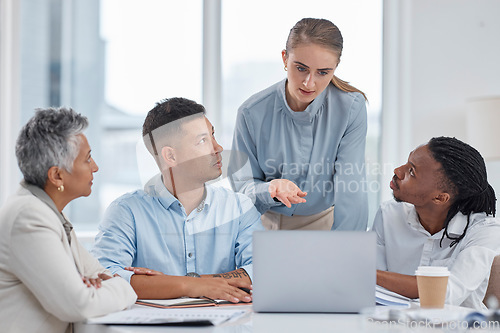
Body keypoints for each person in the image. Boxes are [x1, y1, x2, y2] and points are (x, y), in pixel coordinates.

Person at [92, 97, 264, 303]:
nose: (218, 148)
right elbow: (106, 276)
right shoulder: (126, 211)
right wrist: (189, 285)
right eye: (203, 141)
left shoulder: (239, 207)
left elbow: (262, 270)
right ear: (171, 156)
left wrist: (180, 283)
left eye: (213, 136)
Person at [0, 108, 137, 333]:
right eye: (88, 159)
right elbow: (81, 304)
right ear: (57, 176)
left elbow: (99, 272)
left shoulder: (50, 211)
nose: (95, 167)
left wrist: (100, 284)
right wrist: (122, 286)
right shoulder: (29, 217)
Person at [228, 17, 368, 231]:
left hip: (323, 223)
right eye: (301, 68)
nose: (309, 83)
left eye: (323, 72)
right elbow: (241, 189)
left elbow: (351, 189)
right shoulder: (251, 112)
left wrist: (348, 248)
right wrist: (269, 189)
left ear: (335, 68)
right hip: (264, 224)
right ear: (285, 59)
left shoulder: (350, 108)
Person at [374, 136, 500, 310]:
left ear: (440, 197)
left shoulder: (484, 231)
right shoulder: (388, 215)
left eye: (411, 172)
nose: (397, 171)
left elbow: (447, 293)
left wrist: (368, 274)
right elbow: (375, 291)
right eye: (407, 162)